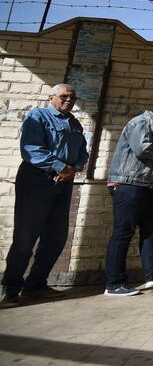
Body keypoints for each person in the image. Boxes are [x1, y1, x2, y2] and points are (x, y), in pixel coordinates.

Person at [1, 84, 88, 308]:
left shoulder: (75, 124)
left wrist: (73, 168)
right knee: (26, 237)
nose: (69, 100)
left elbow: (83, 153)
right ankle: (10, 289)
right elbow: (30, 149)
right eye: (64, 96)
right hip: (37, 180)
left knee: (56, 237)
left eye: (73, 97)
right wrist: (59, 166)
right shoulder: (38, 116)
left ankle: (35, 286)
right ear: (51, 97)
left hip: (64, 182)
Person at [104, 105, 153, 297]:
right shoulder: (141, 122)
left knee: (151, 229)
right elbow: (143, 150)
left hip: (144, 186)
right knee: (123, 233)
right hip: (128, 184)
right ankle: (114, 284)